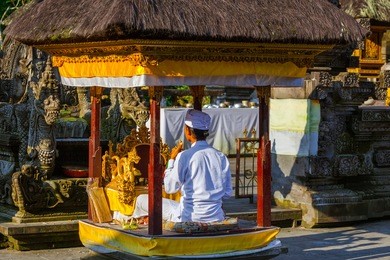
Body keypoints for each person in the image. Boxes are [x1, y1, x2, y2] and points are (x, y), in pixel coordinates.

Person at [131, 109, 233, 223]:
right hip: (216, 215)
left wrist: (171, 160)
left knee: (141, 200)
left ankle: (140, 226)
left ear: (187, 131)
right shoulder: (221, 157)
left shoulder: (185, 156)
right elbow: (227, 193)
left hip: (188, 216)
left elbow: (170, 187)